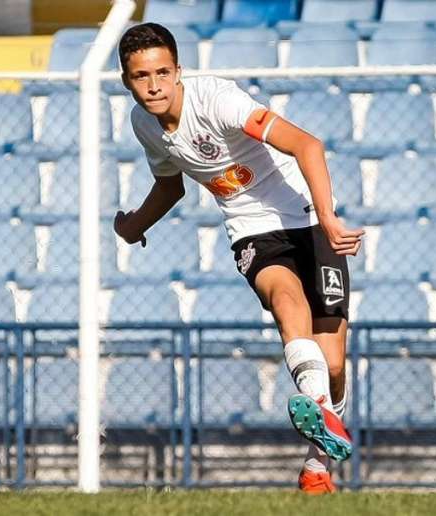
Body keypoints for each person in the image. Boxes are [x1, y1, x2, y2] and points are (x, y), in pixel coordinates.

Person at [114, 23, 364, 494]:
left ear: (178, 70)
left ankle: (317, 465)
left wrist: (329, 219)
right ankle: (315, 407)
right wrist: (135, 225)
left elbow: (307, 144)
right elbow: (171, 184)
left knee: (332, 363)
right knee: (287, 300)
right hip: (252, 229)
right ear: (127, 80)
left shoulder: (217, 100)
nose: (154, 85)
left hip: (309, 219)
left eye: (163, 72)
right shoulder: (143, 123)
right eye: (141, 76)